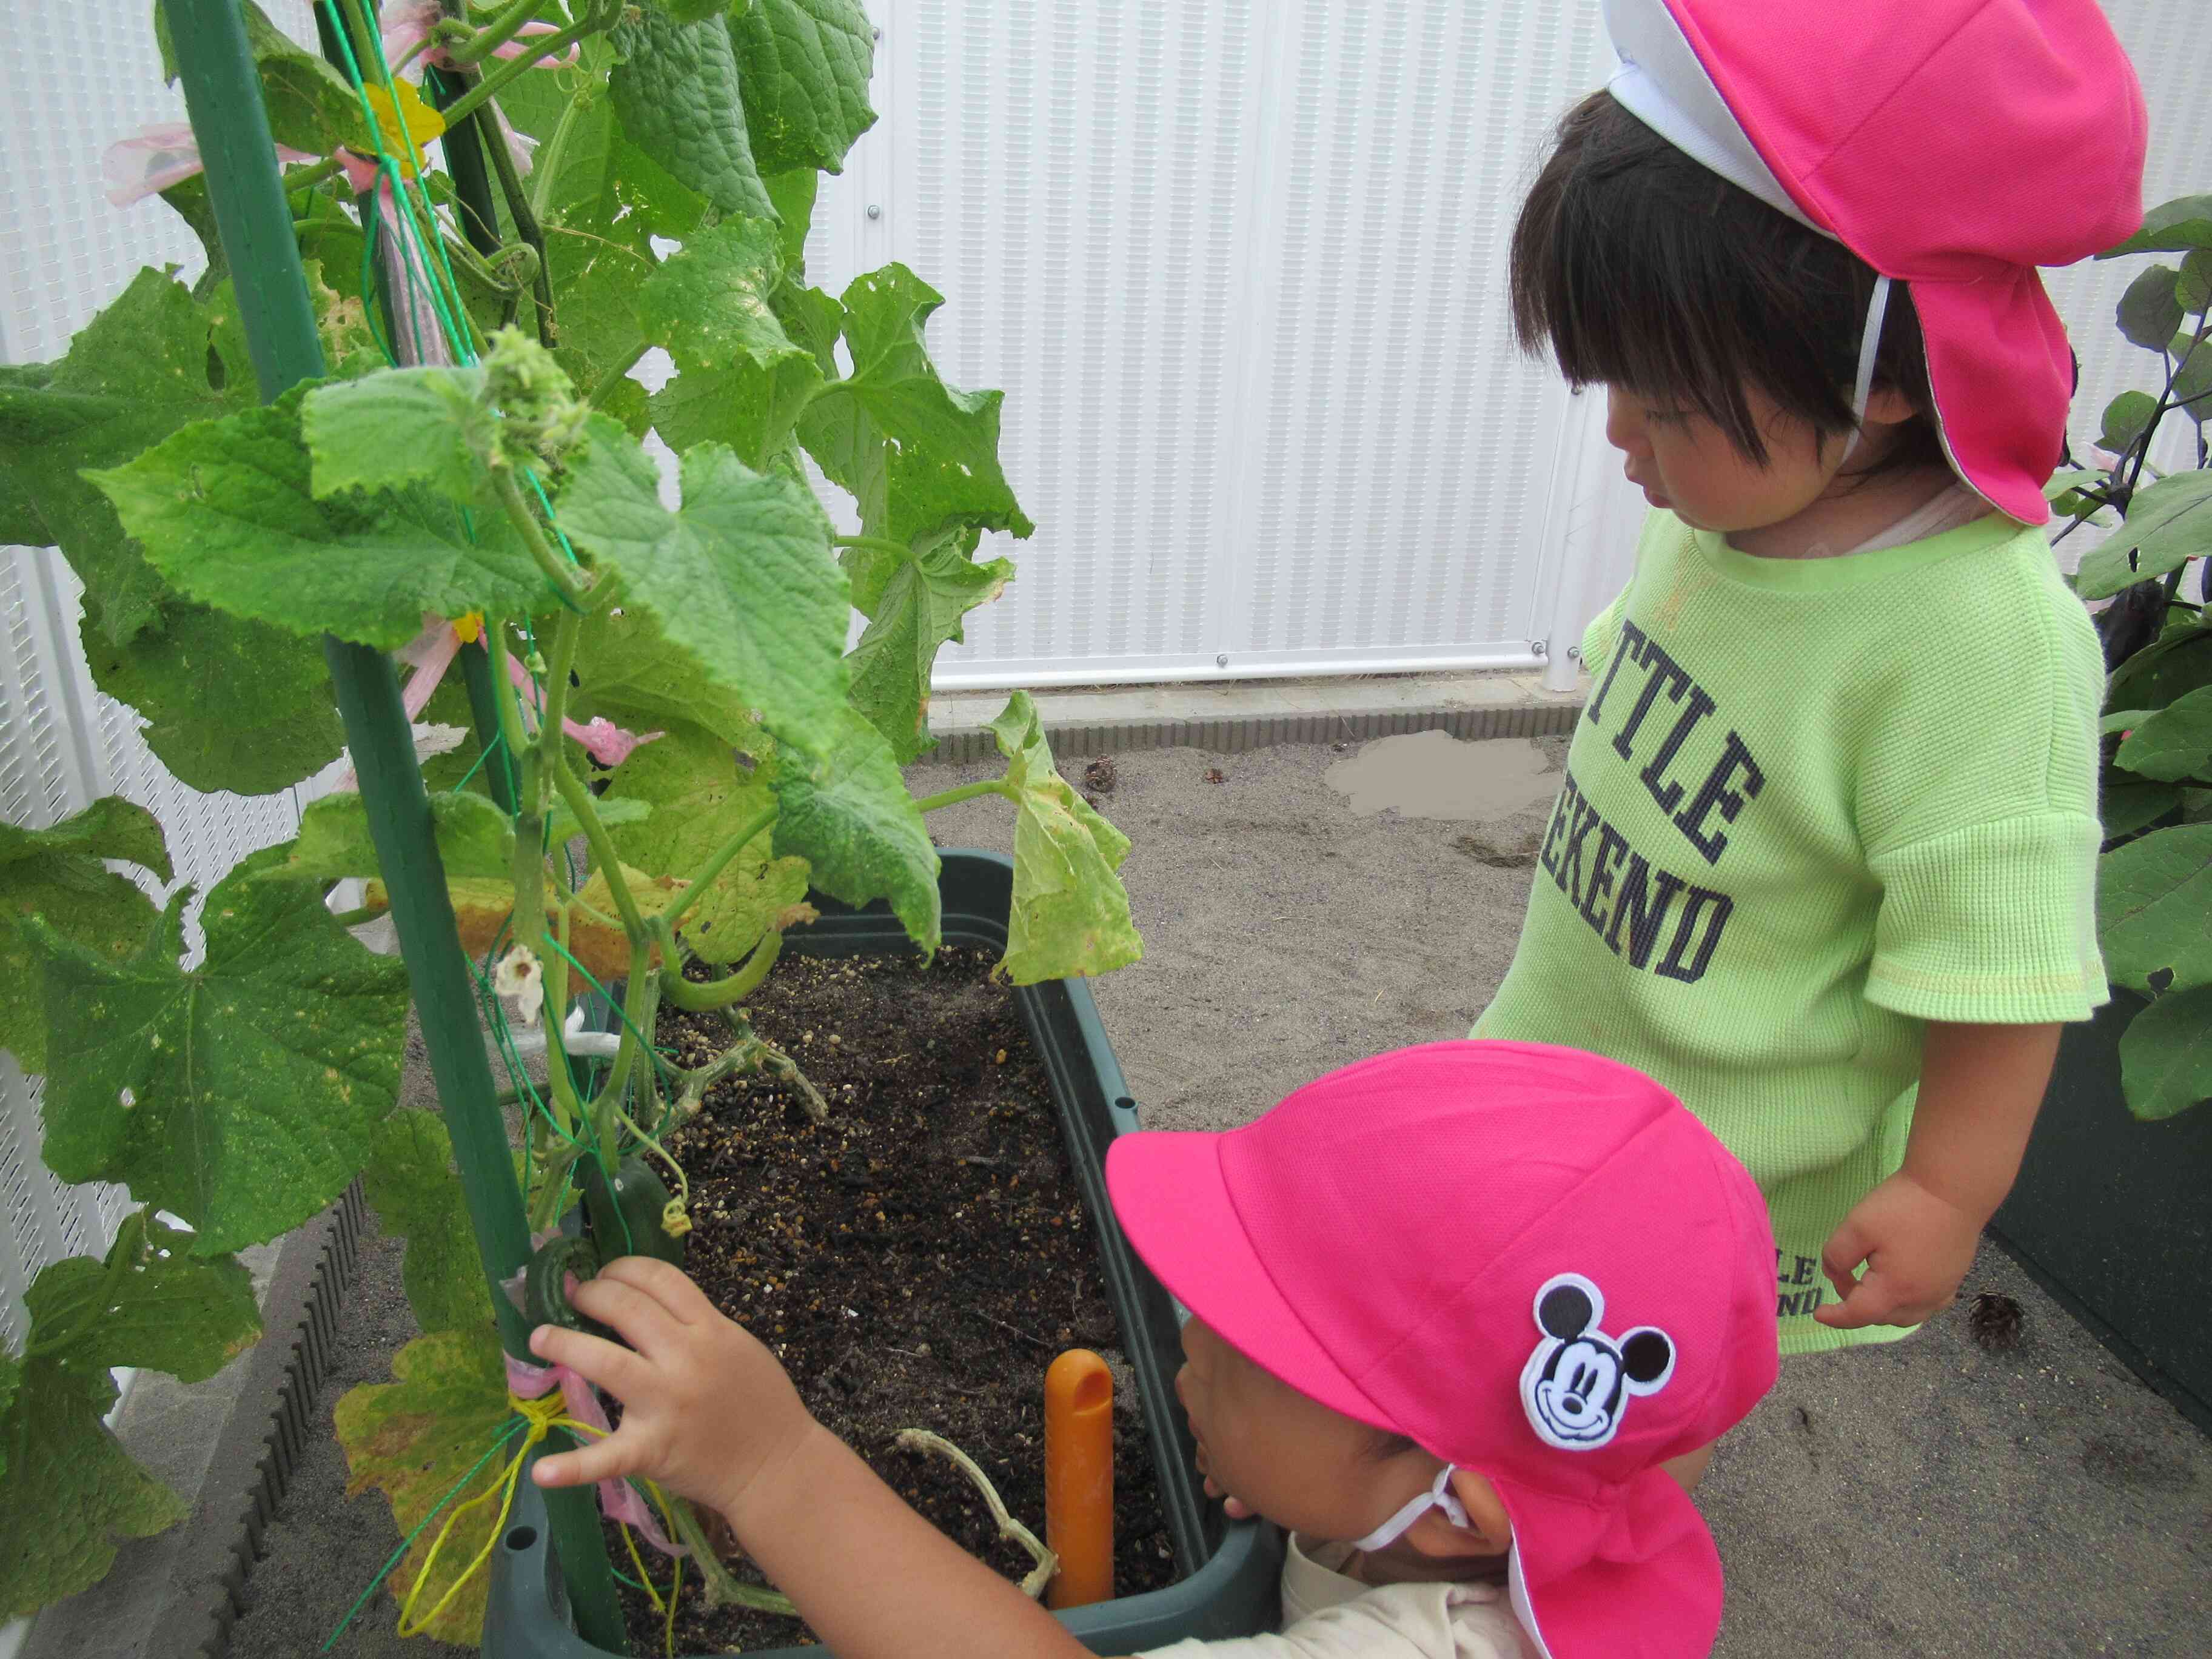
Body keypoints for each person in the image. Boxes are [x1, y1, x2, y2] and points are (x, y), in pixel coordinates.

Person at [1472, 0, 2148, 1425]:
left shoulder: (1983, 644)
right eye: (1614, 391)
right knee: (1486, 1331)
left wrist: (1947, 1192)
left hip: (1723, 1175)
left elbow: (2002, 973)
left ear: (1886, 381)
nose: (1618, 441)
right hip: (1563, 1060)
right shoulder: (1737, 508)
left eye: (1662, 407)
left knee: (1613, 1419)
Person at [529, 1042, 1781, 1658]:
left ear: (1455, 1511)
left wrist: (773, 1468)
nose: (1183, 1340)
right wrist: (1328, 1489)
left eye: (1245, 1351)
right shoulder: (1496, 1488)